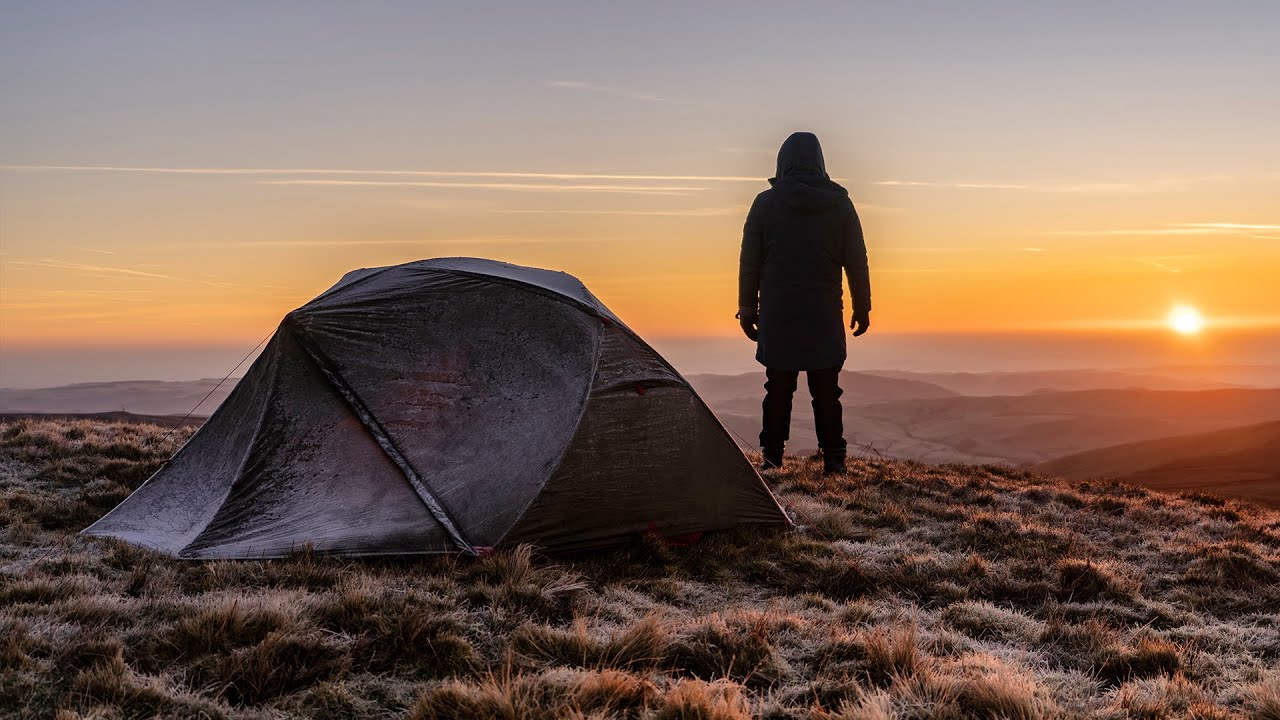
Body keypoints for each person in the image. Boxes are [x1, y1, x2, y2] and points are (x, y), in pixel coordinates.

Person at [737, 131, 871, 475]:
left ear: (783, 162)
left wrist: (748, 309)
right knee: (827, 389)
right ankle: (834, 461)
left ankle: (771, 458)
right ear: (820, 162)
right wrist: (862, 306)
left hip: (779, 312)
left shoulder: (765, 203)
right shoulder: (839, 204)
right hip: (823, 312)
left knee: (778, 386)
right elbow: (856, 260)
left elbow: (750, 261)